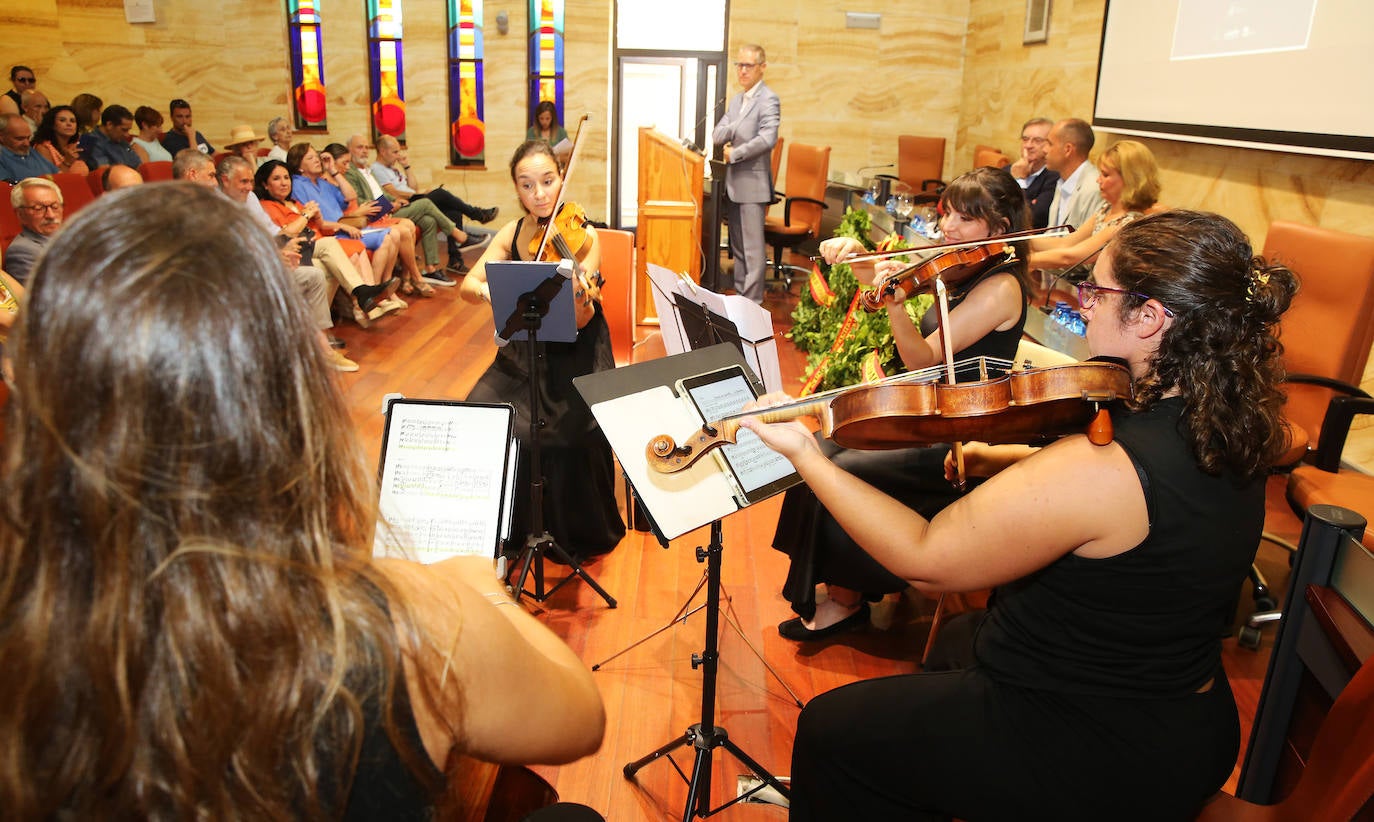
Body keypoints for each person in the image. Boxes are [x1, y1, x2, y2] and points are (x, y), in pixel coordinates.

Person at [0, 183, 605, 818]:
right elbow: (577, 717)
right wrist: (471, 586)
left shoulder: (28, 635)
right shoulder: (395, 626)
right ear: (289, 395)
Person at [744, 209, 1297, 820]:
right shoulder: (1234, 425)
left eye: (1097, 291)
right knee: (959, 638)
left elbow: (926, 558)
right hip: (1187, 714)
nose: (1080, 303)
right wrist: (996, 458)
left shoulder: (1106, 465)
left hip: (1102, 743)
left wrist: (807, 455)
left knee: (829, 729)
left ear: (1149, 317)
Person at [771, 167, 1032, 640]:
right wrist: (863, 264)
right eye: (948, 213)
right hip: (927, 413)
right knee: (821, 448)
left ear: (1001, 229)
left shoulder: (999, 287)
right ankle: (834, 584)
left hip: (959, 437)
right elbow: (893, 287)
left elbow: (921, 357)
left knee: (842, 469)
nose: (949, 228)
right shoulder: (963, 266)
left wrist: (894, 304)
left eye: (966, 219)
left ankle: (848, 600)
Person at [458, 140, 625, 563]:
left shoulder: (582, 235)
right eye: (528, 185)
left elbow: (585, 317)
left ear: (560, 178)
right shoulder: (511, 234)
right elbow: (467, 286)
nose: (540, 194)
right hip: (524, 348)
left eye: (548, 182)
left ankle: (569, 529)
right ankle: (502, 528)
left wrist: (581, 298)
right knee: (482, 415)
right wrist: (490, 293)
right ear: (517, 190)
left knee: (565, 437)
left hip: (575, 349)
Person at [254, 158, 402, 328]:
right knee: (342, 252)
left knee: (347, 247)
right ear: (265, 184)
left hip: (317, 242)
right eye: (276, 179)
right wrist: (306, 215)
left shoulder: (294, 203)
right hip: (298, 247)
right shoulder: (266, 206)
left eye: (286, 178)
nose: (283, 183)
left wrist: (318, 217)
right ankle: (362, 302)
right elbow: (286, 235)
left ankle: (364, 299)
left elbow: (322, 225)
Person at [286, 142, 424, 300]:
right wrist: (343, 225)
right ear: (299, 166)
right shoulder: (297, 185)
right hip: (332, 232)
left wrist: (333, 170)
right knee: (389, 236)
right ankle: (375, 292)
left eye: (317, 156)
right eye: (310, 158)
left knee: (395, 234)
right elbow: (316, 220)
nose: (317, 160)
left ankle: (379, 290)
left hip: (345, 226)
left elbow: (350, 196)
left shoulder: (321, 182)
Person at [348, 134, 483, 286]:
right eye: (360, 147)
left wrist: (396, 197)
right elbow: (360, 200)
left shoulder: (369, 170)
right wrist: (392, 202)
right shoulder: (355, 172)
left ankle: (431, 269)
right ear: (349, 150)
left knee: (429, 220)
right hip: (380, 213)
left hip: (394, 206)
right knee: (429, 201)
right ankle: (462, 234)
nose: (365, 151)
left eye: (366, 147)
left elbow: (385, 193)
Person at [1030, 139, 1162, 275]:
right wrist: (1021, 242)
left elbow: (1070, 257)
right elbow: (1066, 243)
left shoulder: (1128, 223)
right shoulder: (1106, 209)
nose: (1098, 180)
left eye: (1105, 175)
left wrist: (1022, 258)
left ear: (1129, 179)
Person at [711, 43, 780, 305]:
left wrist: (735, 152)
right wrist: (738, 122)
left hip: (753, 186)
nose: (742, 71)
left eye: (748, 65)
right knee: (738, 250)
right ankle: (741, 300)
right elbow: (718, 134)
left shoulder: (768, 99)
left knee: (753, 252)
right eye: (739, 65)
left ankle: (752, 306)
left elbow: (767, 138)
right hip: (734, 186)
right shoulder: (738, 100)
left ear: (762, 68)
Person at [1043, 117, 1105, 231]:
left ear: (1068, 149)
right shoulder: (1062, 180)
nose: (1044, 149)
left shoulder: (1095, 188)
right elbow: (1051, 233)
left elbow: (1086, 244)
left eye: (1050, 144)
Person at [5, 177, 64, 284]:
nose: (50, 215)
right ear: (20, 214)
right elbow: (44, 298)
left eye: (55, 206)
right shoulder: (22, 251)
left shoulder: (73, 237)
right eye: (38, 208)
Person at [1005, 116, 1059, 229]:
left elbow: (1034, 218)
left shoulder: (1055, 178)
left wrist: (1020, 181)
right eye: (1025, 139)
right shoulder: (1007, 171)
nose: (1028, 146)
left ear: (1049, 145)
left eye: (1037, 140)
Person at [79, 104, 142, 169]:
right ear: (110, 125)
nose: (127, 135)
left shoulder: (122, 141)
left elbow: (138, 164)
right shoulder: (89, 140)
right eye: (124, 130)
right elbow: (105, 171)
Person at [32, 105, 90, 174]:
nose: (69, 124)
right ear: (52, 124)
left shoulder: (76, 145)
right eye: (62, 120)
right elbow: (49, 178)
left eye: (72, 121)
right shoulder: (43, 148)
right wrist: (67, 162)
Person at [0, 114, 59, 181]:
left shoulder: (30, 151)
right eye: (20, 139)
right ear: (1, 137)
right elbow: (6, 187)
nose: (27, 144)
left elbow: (58, 174)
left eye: (28, 138)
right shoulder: (2, 157)